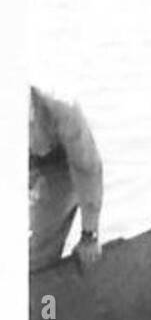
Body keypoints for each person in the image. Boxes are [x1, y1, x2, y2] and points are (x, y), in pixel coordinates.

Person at [29, 86, 104, 272]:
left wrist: (89, 235)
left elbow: (87, 167)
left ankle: (46, 298)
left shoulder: (63, 107)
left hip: (58, 166)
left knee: (34, 254)